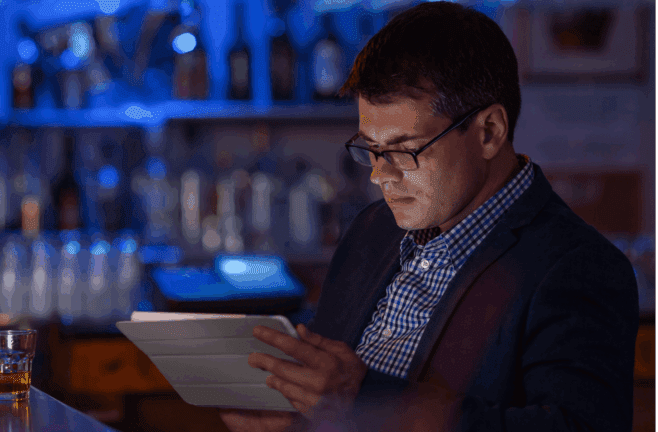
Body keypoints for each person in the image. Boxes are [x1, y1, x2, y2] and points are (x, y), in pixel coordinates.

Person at [219, 2, 639, 431]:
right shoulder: (372, 230)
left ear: (489, 132)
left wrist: (364, 403)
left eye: (404, 150)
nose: (381, 176)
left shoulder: (579, 268)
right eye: (372, 150)